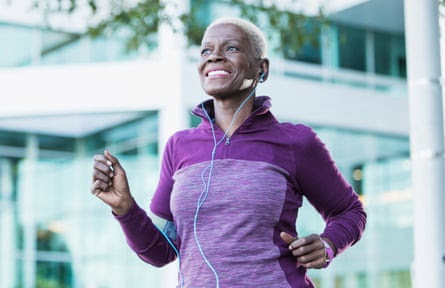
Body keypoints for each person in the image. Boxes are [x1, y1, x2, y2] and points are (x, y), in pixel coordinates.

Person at [91, 17, 367, 288]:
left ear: (262, 69)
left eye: (231, 48)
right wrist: (124, 208)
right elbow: (161, 253)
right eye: (206, 51)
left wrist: (328, 244)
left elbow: (350, 212)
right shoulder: (179, 146)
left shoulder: (296, 141)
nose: (215, 57)